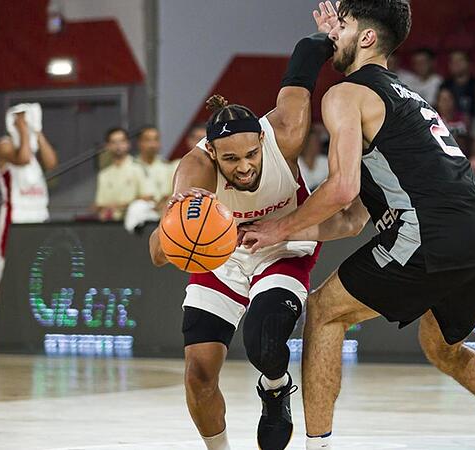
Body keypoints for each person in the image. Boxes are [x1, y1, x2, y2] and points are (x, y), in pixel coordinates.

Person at [241, 1, 475, 449]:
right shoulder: (405, 98)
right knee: (443, 348)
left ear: (365, 38)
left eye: (340, 29)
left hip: (433, 230)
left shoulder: (345, 94)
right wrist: (271, 236)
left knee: (324, 312)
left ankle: (316, 446)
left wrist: (277, 229)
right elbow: (349, 219)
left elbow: (341, 188)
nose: (331, 38)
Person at [147, 4, 339, 449]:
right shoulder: (194, 173)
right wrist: (176, 228)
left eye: (251, 154)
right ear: (212, 154)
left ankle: (275, 389)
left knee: (263, 341)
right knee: (198, 372)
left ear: (261, 142)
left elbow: (301, 70)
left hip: (282, 243)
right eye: (231, 159)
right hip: (223, 254)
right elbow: (158, 254)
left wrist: (328, 36)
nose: (245, 166)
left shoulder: (285, 132)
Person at [0, 109, 58, 313]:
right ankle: (0, 309)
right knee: (9, 264)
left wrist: (37, 131)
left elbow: (52, 164)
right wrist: (21, 127)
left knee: (38, 267)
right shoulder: (4, 145)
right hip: (16, 216)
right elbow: (22, 158)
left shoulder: (33, 151)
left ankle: (31, 310)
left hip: (38, 215)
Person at [95, 127, 151, 221]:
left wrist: (121, 205)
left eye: (121, 141)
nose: (118, 145)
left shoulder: (139, 168)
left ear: (128, 144)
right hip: (110, 223)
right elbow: (99, 204)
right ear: (108, 146)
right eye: (114, 142)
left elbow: (147, 197)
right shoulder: (103, 174)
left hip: (134, 222)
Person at [134, 126, 174, 204]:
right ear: (139, 143)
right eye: (148, 140)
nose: (152, 145)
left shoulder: (167, 166)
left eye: (156, 140)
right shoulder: (132, 166)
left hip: (165, 209)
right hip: (140, 209)